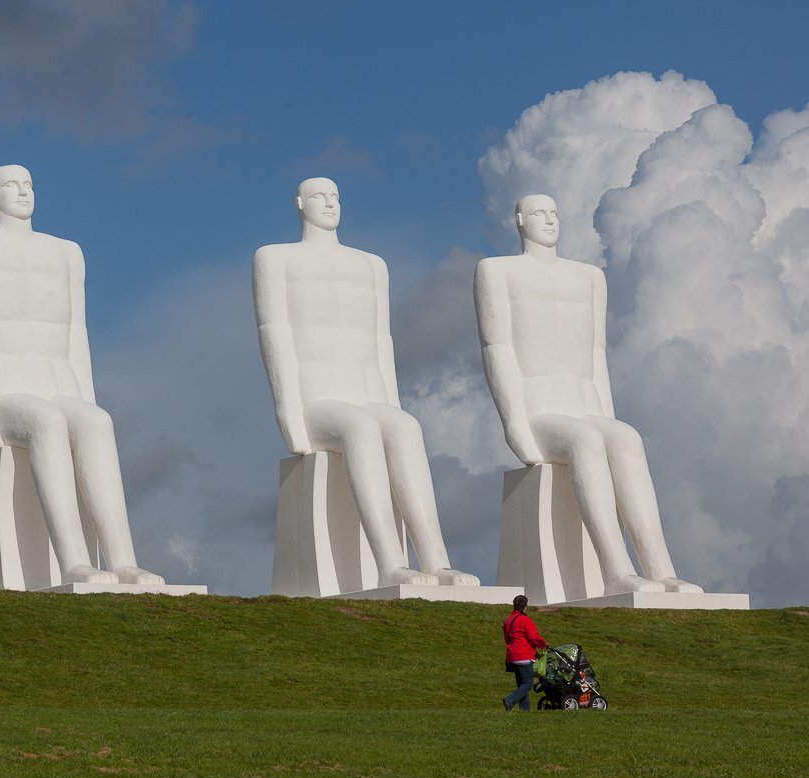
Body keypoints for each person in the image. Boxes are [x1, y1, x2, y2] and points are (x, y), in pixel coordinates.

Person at [252, 177, 479, 588]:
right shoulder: (275, 258)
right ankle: (390, 561)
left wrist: (393, 403)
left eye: (335, 196)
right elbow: (275, 333)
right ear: (300, 204)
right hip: (318, 400)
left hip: (369, 396)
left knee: (406, 426)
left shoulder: (372, 265)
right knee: (359, 427)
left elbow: (381, 342)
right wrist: (287, 409)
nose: (329, 203)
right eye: (319, 196)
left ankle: (436, 560)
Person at [0, 165, 163, 585]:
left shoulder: (66, 252)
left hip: (60, 385)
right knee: (47, 421)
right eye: (12, 185)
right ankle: (74, 560)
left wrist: (88, 396)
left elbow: (76, 333)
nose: (23, 192)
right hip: (8, 390)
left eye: (29, 184)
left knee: (97, 422)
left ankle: (122, 560)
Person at [474, 193, 701, 595]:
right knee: (585, 441)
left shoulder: (590, 276)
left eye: (554, 212)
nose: (549, 219)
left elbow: (597, 354)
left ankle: (661, 569)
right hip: (541, 409)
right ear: (520, 220)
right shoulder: (496, 270)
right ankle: (615, 569)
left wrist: (607, 414)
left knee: (627, 438)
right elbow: (497, 349)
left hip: (586, 405)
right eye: (539, 213)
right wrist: (514, 422)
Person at [503, 594, 547, 711]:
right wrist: (544, 644)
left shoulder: (508, 620)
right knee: (527, 684)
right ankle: (510, 700)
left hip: (511, 656)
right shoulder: (525, 620)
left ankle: (525, 710)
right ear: (524, 607)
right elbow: (534, 637)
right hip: (523, 656)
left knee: (522, 685)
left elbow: (507, 638)